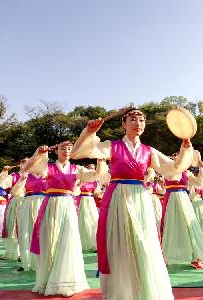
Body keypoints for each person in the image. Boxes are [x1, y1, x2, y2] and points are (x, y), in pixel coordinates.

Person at [70, 107, 195, 299]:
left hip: (140, 198)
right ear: (123, 124)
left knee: (144, 242)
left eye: (142, 120)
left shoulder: (149, 151)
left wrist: (186, 147)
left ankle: (144, 292)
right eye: (133, 119)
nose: (138, 123)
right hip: (117, 197)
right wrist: (89, 132)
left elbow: (172, 169)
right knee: (118, 245)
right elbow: (78, 152)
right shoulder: (111, 146)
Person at [23, 141, 106, 297]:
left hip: (67, 204)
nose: (67, 151)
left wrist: (100, 161)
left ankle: (66, 281)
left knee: (68, 240)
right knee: (49, 240)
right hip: (50, 205)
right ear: (56, 151)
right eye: (63, 148)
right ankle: (47, 279)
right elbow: (27, 168)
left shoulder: (77, 169)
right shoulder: (48, 167)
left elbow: (95, 175)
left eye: (69, 148)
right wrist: (38, 153)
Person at [161, 158, 203, 269]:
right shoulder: (168, 171)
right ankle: (165, 257)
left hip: (184, 200)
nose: (177, 160)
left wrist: (201, 167)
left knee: (190, 228)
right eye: (175, 158)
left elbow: (199, 182)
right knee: (170, 227)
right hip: (171, 201)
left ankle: (194, 257)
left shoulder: (186, 173)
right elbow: (171, 176)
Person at [0, 158, 28, 261]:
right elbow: (1, 183)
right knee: (11, 226)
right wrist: (4, 172)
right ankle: (12, 252)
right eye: (22, 162)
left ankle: (25, 253)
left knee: (25, 227)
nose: (25, 164)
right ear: (19, 164)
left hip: (28, 202)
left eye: (27, 162)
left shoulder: (34, 176)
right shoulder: (13, 176)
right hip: (15, 202)